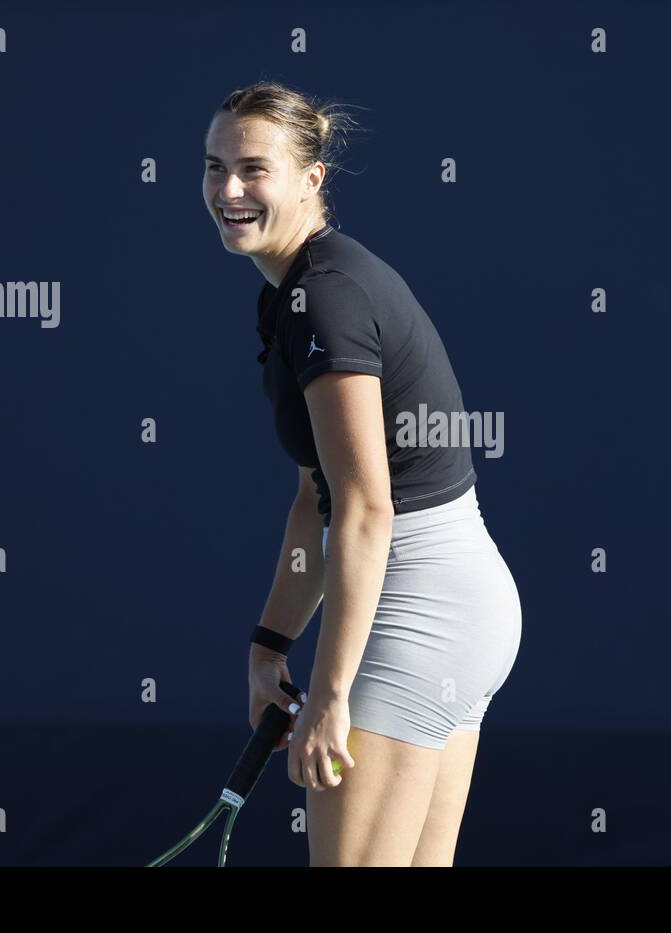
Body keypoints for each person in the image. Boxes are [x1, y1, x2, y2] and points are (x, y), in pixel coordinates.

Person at [203, 81, 522, 866]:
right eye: (214, 168)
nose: (228, 190)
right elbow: (316, 504)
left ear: (312, 178)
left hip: (422, 614)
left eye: (254, 169)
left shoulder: (325, 299)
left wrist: (334, 694)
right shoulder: (299, 292)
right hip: (460, 610)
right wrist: (269, 647)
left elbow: (367, 510)